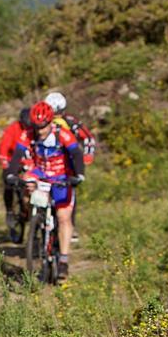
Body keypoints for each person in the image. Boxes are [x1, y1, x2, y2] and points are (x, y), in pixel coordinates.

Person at [5, 100, 85, 282]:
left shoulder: (62, 134)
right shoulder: (28, 133)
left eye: (43, 126)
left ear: (50, 122)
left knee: (63, 217)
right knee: (25, 182)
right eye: (36, 126)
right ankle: (34, 220)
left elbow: (76, 154)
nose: (39, 131)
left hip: (61, 175)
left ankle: (63, 259)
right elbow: (17, 155)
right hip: (40, 172)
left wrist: (79, 175)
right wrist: (10, 174)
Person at [44, 91, 95, 241]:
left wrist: (85, 157)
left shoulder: (70, 122)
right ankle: (41, 222)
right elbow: (88, 138)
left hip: (68, 163)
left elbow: (88, 138)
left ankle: (69, 226)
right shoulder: (44, 122)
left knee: (68, 193)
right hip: (48, 162)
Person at [0, 107, 31, 242]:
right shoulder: (13, 129)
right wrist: (6, 166)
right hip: (13, 162)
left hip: (29, 163)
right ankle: (10, 210)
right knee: (9, 183)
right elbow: (3, 149)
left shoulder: (35, 131)